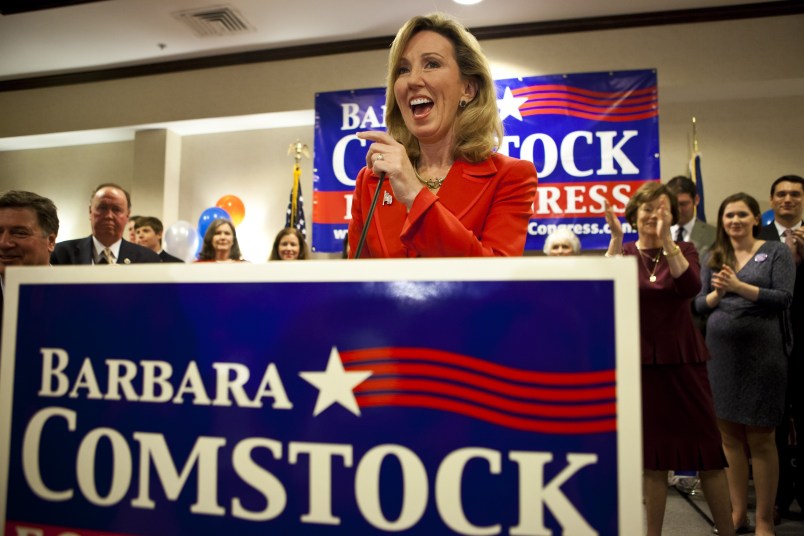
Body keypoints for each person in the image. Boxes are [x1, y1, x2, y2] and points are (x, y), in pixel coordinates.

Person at [348, 13, 537, 258]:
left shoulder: (510, 177)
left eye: (432, 64)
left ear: (467, 89)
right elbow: (355, 282)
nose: (413, 80)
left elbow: (494, 278)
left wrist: (415, 195)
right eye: (403, 69)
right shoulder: (371, 181)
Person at [604, 182, 735, 536]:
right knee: (653, 459)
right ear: (634, 215)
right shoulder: (625, 252)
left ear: (672, 216)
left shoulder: (686, 249)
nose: (654, 215)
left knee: (707, 450)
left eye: (662, 209)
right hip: (641, 365)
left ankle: (727, 530)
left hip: (683, 360)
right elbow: (603, 287)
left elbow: (691, 286)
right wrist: (615, 240)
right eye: (647, 209)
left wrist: (668, 243)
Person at [695, 192, 794, 536]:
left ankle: (765, 519)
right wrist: (719, 294)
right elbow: (698, 305)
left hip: (762, 355)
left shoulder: (776, 252)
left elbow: (783, 298)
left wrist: (739, 286)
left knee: (762, 437)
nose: (734, 221)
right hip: (721, 356)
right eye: (728, 216)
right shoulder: (713, 255)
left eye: (741, 215)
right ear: (722, 222)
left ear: (756, 218)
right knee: (729, 438)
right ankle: (738, 514)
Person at [757, 174, 804, 523]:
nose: (787, 199)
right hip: (770, 341)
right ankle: (777, 498)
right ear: (772, 200)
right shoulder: (758, 237)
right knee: (772, 425)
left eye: (795, 194)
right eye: (781, 194)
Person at [51, 183, 161, 265]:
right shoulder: (61, 254)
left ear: (127, 215)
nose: (109, 216)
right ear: (90, 211)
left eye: (116, 209)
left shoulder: (148, 259)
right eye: (102, 208)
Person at [667, 175, 716, 258]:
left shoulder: (713, 235)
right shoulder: (658, 234)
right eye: (674, 205)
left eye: (684, 204)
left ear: (696, 200)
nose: (678, 210)